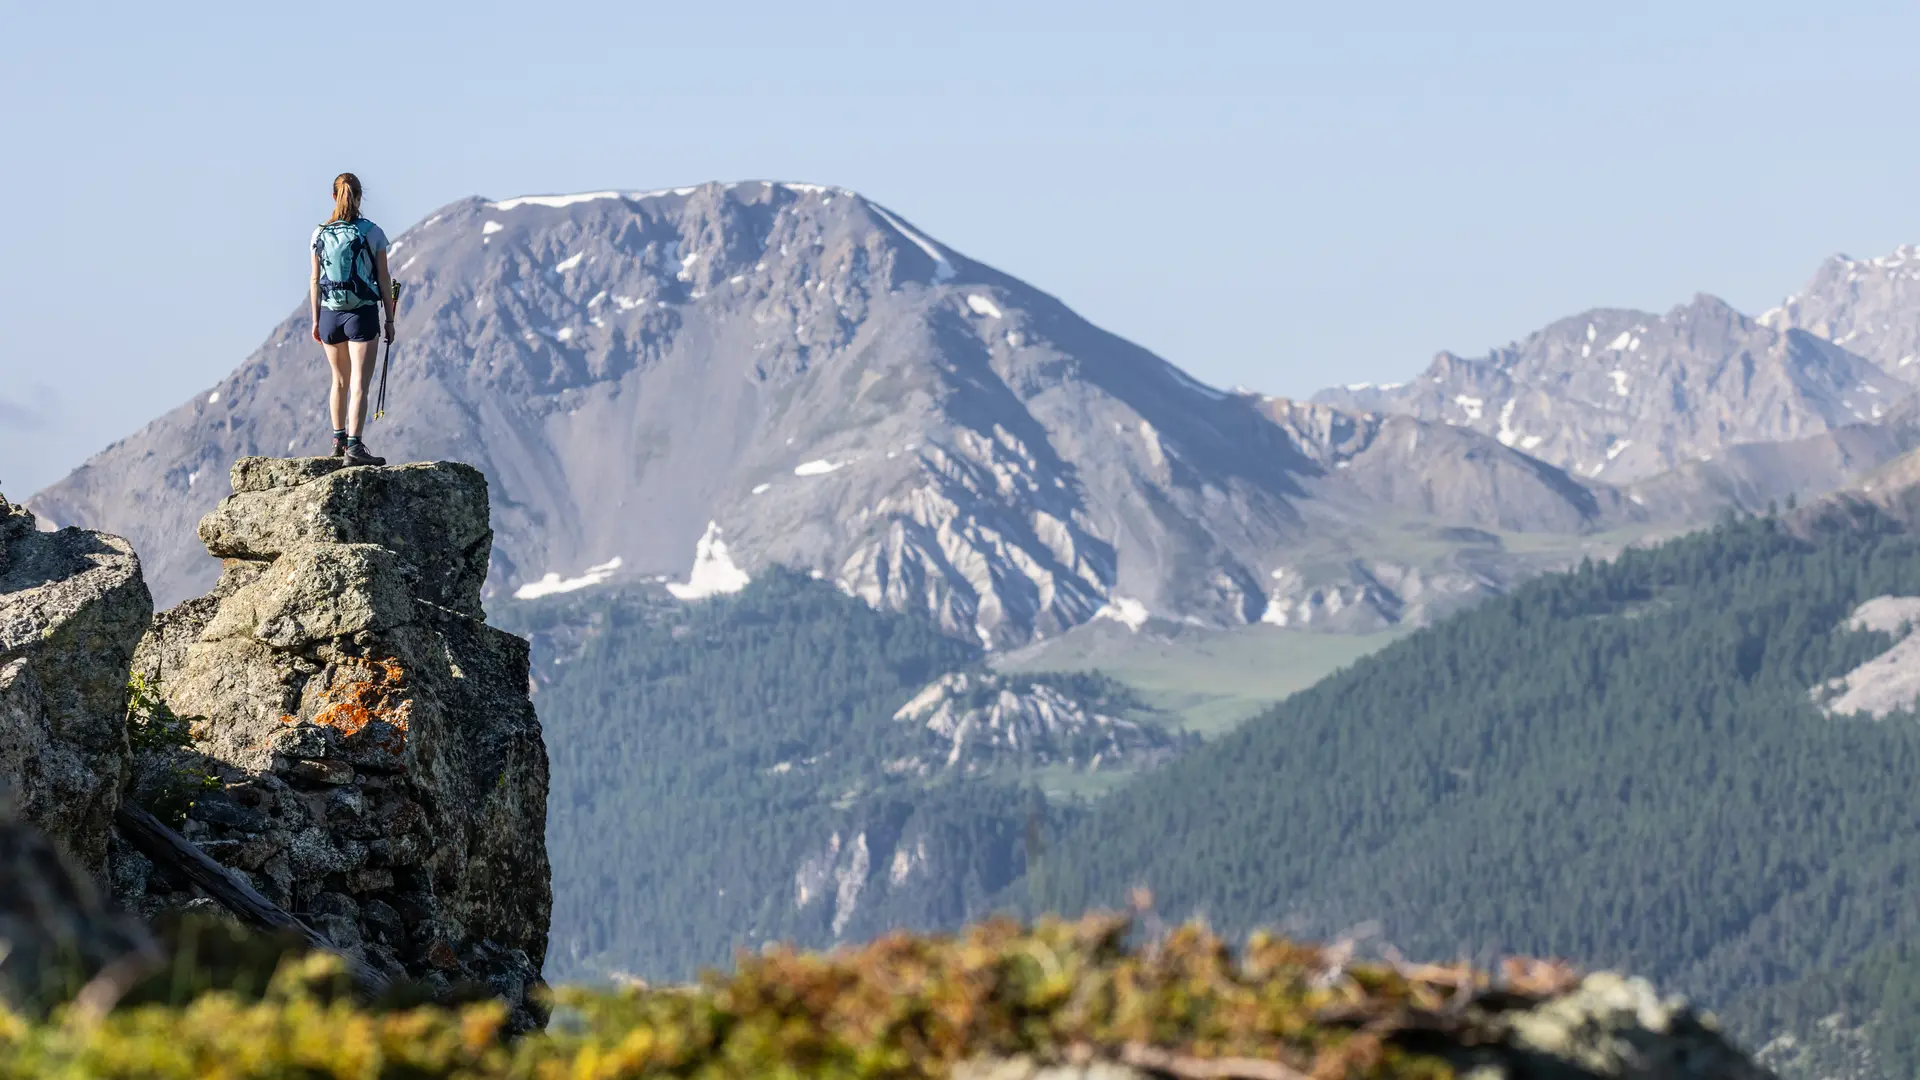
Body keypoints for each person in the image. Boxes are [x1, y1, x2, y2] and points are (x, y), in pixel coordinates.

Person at [310, 172, 396, 466]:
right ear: (359, 197)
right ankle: (354, 447)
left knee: (339, 381)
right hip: (361, 314)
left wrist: (316, 320)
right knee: (359, 383)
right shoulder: (373, 232)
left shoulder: (319, 234)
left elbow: (314, 279)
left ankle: (338, 440)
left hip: (329, 314)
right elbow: (383, 278)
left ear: (334, 196)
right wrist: (390, 320)